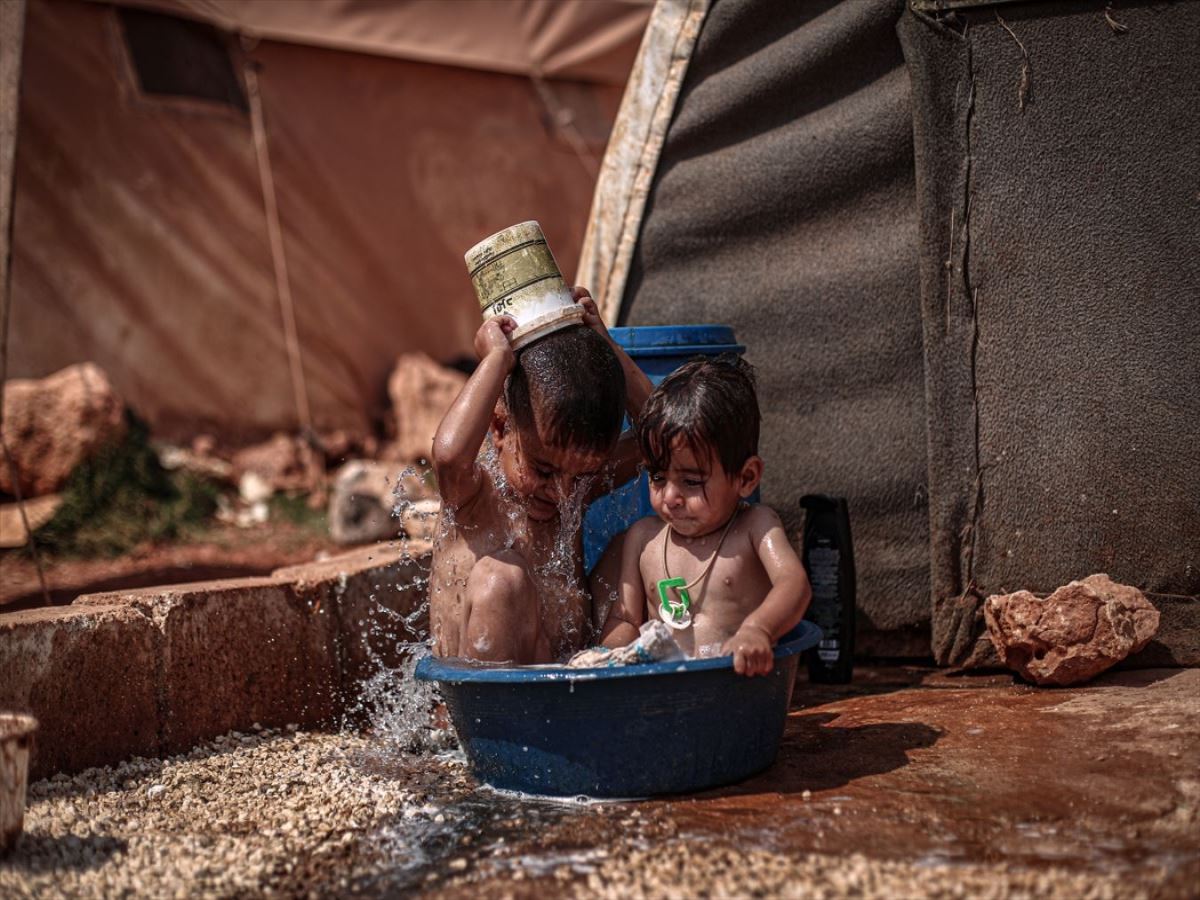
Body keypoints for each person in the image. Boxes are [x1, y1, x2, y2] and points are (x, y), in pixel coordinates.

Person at [429, 288, 652, 665]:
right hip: (488, 691)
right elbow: (449, 455)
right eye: (543, 471)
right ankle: (500, 716)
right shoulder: (473, 492)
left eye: (581, 476)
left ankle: (604, 677)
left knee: (633, 546)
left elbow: (661, 439)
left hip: (562, 672)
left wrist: (605, 344)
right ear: (499, 429)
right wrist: (497, 360)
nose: (563, 492)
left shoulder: (575, 486)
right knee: (503, 580)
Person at [597, 356, 812, 676]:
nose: (670, 497)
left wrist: (758, 629)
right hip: (665, 695)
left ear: (747, 478)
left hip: (736, 687)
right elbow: (626, 619)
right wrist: (608, 656)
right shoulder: (644, 540)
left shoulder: (755, 527)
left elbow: (794, 584)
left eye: (692, 482)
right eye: (657, 477)